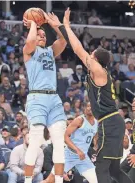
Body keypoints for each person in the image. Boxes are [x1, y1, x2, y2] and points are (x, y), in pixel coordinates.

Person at [62, 8, 133, 183]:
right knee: (115, 170)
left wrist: (66, 26)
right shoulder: (99, 73)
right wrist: (59, 26)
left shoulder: (99, 70)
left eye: (91, 54)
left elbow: (78, 49)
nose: (89, 55)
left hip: (108, 121)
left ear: (95, 58)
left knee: (101, 166)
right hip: (114, 121)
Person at [23, 11, 67, 183]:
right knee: (36, 138)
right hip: (37, 98)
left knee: (58, 140)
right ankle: (27, 181)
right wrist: (34, 24)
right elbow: (30, 41)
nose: (41, 37)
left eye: (43, 35)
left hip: (53, 99)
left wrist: (54, 25)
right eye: (38, 35)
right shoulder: (28, 51)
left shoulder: (49, 51)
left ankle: (58, 181)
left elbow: (63, 40)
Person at [43, 102, 98, 183]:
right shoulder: (79, 120)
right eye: (88, 106)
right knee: (50, 180)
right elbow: (65, 136)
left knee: (96, 180)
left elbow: (95, 137)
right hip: (69, 155)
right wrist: (77, 150)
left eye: (91, 106)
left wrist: (96, 148)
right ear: (85, 108)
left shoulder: (96, 122)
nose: (89, 108)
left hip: (83, 158)